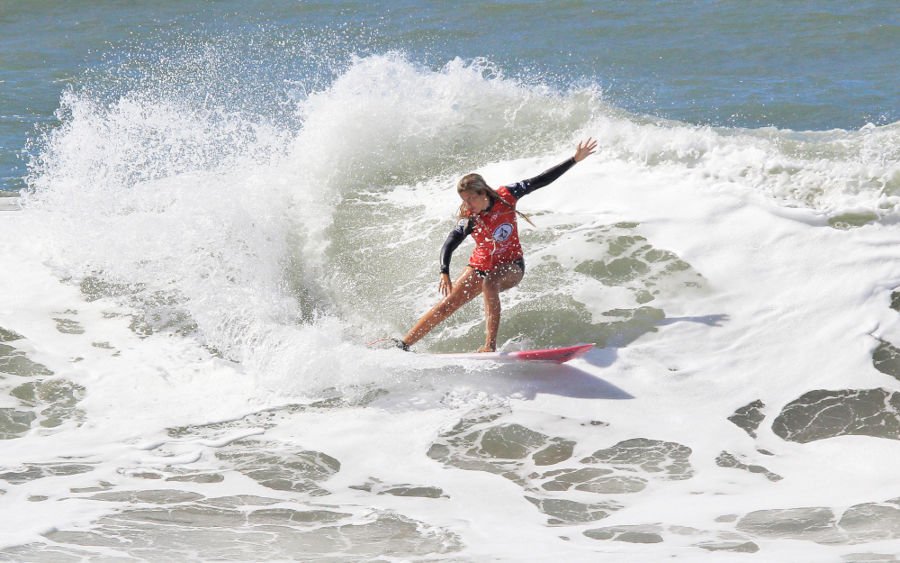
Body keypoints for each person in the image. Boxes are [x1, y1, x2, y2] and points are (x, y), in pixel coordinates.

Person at [395, 138, 598, 353]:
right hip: (480, 266)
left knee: (490, 283)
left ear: (483, 193)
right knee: (447, 305)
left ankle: (489, 346)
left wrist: (574, 160)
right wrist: (444, 271)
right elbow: (450, 242)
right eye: (464, 200)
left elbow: (540, 180)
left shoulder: (507, 196)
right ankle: (404, 344)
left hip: (512, 265)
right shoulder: (469, 217)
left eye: (471, 199)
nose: (467, 204)